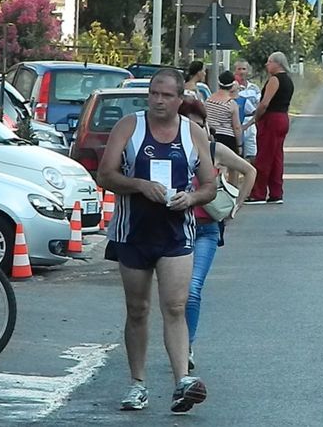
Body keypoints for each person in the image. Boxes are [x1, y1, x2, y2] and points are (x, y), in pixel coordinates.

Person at [97, 68, 216, 413]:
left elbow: (210, 184)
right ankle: (137, 384)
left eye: (166, 95)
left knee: (176, 307)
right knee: (137, 309)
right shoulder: (130, 127)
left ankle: (182, 382)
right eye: (153, 93)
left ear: (180, 99)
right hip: (133, 231)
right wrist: (139, 185)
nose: (158, 101)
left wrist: (191, 199)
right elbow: (105, 174)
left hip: (176, 232)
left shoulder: (192, 133)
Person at [178, 98, 256, 371]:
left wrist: (236, 206)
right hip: (176, 229)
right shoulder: (171, 149)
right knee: (175, 295)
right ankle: (178, 344)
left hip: (205, 231)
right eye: (188, 125)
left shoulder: (215, 149)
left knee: (193, 289)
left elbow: (249, 170)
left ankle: (186, 347)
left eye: (199, 125)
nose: (194, 131)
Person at [244, 51, 294, 205]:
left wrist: (256, 118)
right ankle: (276, 192)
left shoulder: (274, 80)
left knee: (264, 157)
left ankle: (258, 193)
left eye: (269, 61)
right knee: (276, 156)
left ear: (277, 63)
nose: (267, 64)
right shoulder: (288, 80)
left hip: (271, 119)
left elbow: (264, 103)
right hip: (283, 117)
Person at [204, 70, 243, 184]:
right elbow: (236, 127)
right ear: (232, 85)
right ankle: (233, 191)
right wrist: (239, 144)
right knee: (233, 168)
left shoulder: (208, 100)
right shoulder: (231, 104)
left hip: (212, 136)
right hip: (228, 138)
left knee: (214, 166)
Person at [234, 59, 261, 163]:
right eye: (239, 69)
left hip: (251, 121)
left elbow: (259, 107)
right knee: (237, 155)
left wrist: (249, 124)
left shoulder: (254, 88)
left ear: (248, 71)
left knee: (252, 154)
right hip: (237, 121)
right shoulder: (232, 88)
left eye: (244, 69)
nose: (241, 72)